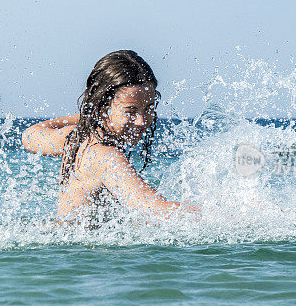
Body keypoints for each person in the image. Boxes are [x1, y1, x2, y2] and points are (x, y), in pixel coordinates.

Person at [22, 49, 201, 222]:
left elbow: (30, 136)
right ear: (102, 108)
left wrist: (91, 116)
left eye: (148, 109)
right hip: (87, 252)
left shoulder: (77, 137)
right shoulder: (106, 157)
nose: (141, 121)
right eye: (131, 111)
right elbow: (156, 210)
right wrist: (221, 214)